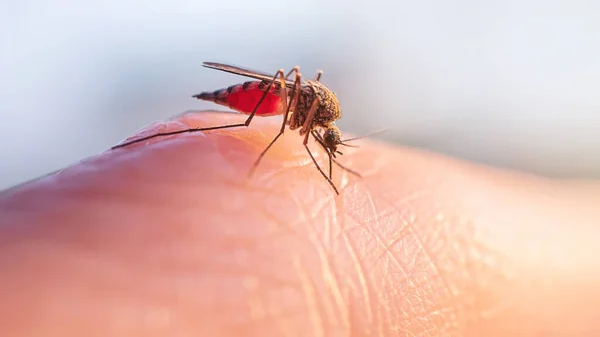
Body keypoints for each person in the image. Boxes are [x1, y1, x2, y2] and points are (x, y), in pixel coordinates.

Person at [1, 111, 599, 336]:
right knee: (242, 134)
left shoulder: (321, 127)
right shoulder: (307, 117)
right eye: (330, 142)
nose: (328, 146)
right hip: (263, 110)